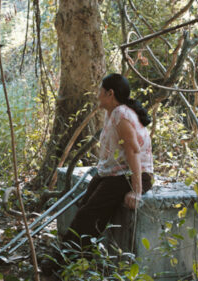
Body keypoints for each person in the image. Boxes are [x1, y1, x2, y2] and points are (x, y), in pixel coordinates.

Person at [45, 73, 154, 274]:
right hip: (114, 173)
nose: (97, 95)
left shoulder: (122, 115)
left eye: (100, 91)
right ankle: (79, 259)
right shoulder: (113, 112)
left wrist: (136, 190)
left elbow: (134, 152)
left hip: (131, 175)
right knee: (85, 205)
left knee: (88, 214)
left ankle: (59, 266)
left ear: (109, 93)